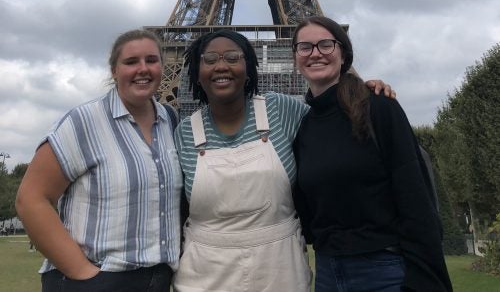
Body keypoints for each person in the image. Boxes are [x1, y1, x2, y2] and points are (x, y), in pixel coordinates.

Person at [173, 29, 394, 292]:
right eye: (209, 59)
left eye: (233, 57)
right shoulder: (183, 132)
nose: (222, 65)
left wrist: (359, 92)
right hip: (205, 271)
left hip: (279, 268)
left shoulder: (280, 109)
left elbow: (331, 119)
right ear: (196, 72)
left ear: (249, 67)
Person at [292, 16, 453, 292]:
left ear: (343, 54)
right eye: (305, 47)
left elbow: (415, 194)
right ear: (296, 58)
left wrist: (425, 278)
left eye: (326, 45)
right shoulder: (303, 126)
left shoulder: (378, 107)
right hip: (328, 272)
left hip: (384, 269)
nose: (315, 53)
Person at [16, 29, 183, 292]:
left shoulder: (171, 122)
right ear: (114, 70)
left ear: (163, 65)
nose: (143, 69)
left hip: (157, 280)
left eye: (151, 60)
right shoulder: (83, 122)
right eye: (131, 62)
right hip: (96, 278)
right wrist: (84, 273)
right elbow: (30, 199)